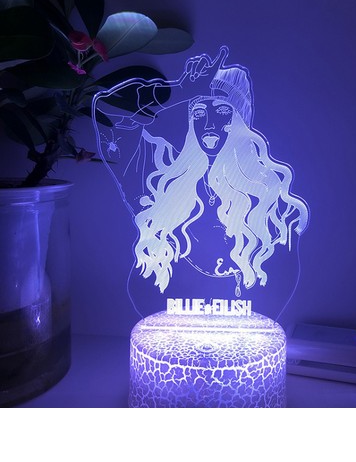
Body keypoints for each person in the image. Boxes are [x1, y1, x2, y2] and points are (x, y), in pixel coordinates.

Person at [92, 46, 309, 308]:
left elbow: (281, 287)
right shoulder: (160, 182)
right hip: (163, 328)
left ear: (242, 120)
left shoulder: (274, 206)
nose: (208, 125)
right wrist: (182, 91)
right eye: (199, 113)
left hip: (243, 328)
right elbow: (106, 116)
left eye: (222, 112)